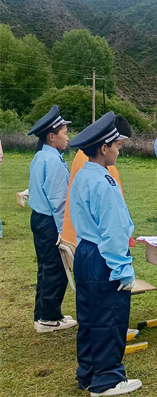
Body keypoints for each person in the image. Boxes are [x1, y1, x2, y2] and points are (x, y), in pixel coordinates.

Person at [68, 111, 142, 396]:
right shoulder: (105, 182)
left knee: (88, 318)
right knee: (110, 317)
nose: (119, 151)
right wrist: (122, 269)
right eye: (117, 146)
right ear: (104, 148)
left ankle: (88, 373)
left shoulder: (83, 174)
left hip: (85, 251)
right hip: (104, 256)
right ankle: (108, 379)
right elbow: (113, 231)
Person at [27, 105, 76, 333]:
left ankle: (43, 314)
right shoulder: (54, 161)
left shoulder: (40, 156)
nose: (68, 137)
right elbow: (59, 201)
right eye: (65, 133)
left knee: (45, 267)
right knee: (55, 269)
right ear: (51, 136)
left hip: (38, 218)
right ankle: (48, 318)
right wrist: (62, 232)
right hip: (50, 222)